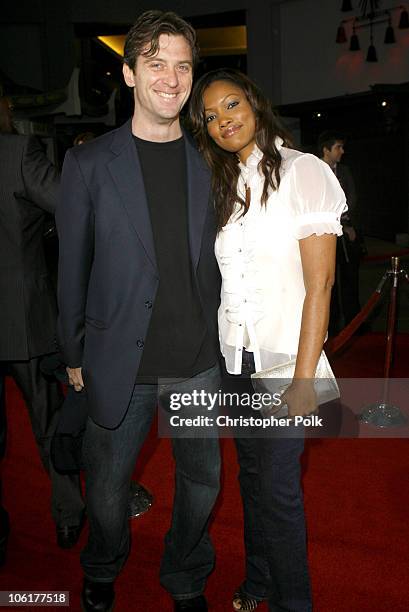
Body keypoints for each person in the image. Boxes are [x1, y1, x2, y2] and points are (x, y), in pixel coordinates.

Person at [56, 11, 221, 612]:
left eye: (182, 65)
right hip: (116, 360)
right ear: (128, 74)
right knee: (104, 491)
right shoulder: (90, 164)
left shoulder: (212, 162)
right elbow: (70, 266)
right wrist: (72, 353)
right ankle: (102, 565)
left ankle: (185, 575)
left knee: (203, 486)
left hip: (198, 359)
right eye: (156, 64)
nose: (172, 78)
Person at [189, 69, 346, 612]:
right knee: (252, 480)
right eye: (209, 115)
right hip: (235, 356)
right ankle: (259, 583)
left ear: (254, 104)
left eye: (231, 103)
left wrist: (304, 381)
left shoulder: (305, 173)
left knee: (279, 494)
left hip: (285, 360)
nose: (222, 119)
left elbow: (319, 286)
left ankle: (293, 603)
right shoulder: (224, 183)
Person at [0, 96, 85, 555]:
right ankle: (69, 514)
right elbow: (70, 207)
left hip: (21, 316)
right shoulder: (18, 152)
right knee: (49, 423)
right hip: (23, 317)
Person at [318, 131, 362, 334]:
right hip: (324, 235)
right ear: (326, 150)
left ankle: (355, 323)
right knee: (328, 283)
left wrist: (347, 224)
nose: (342, 151)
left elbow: (351, 199)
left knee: (350, 280)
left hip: (347, 233)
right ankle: (332, 326)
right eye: (338, 147)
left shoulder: (344, 171)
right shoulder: (314, 170)